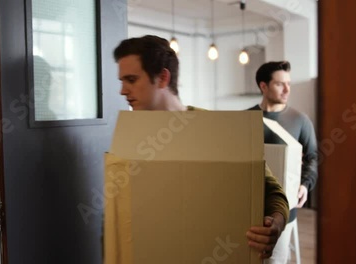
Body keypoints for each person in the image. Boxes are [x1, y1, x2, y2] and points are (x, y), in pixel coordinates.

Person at [113, 35, 289, 259]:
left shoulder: (217, 130)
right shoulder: (130, 138)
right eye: (122, 81)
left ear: (162, 78)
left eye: (131, 79)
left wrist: (276, 223)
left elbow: (273, 193)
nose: (122, 90)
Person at [248, 61, 318, 263]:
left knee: (273, 261)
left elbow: (313, 156)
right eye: (280, 84)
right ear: (263, 86)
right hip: (249, 205)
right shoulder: (246, 118)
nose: (287, 89)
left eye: (289, 83)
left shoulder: (300, 120)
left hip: (282, 210)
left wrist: (305, 184)